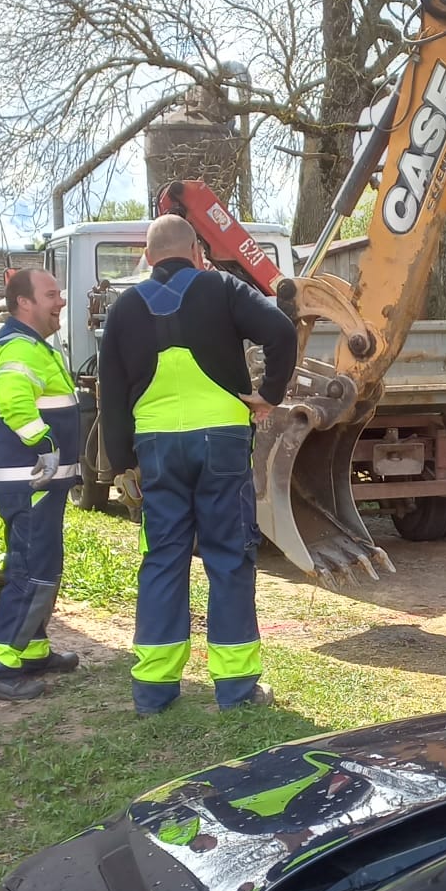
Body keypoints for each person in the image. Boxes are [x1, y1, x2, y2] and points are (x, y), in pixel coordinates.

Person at [99, 214, 297, 717]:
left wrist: (122, 463)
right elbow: (280, 331)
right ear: (195, 251)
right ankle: (234, 689)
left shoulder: (124, 308)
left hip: (157, 449)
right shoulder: (222, 288)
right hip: (222, 443)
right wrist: (267, 395)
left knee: (162, 558)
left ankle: (154, 691)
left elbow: (111, 393)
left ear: (148, 257)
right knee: (227, 557)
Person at [0, 267, 83, 702]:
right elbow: (18, 404)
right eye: (52, 294)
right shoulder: (20, 347)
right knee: (32, 571)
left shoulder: (32, 345)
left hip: (35, 482)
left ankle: (32, 650)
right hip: (33, 479)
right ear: (24, 302)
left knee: (37, 563)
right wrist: (46, 443)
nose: (60, 302)